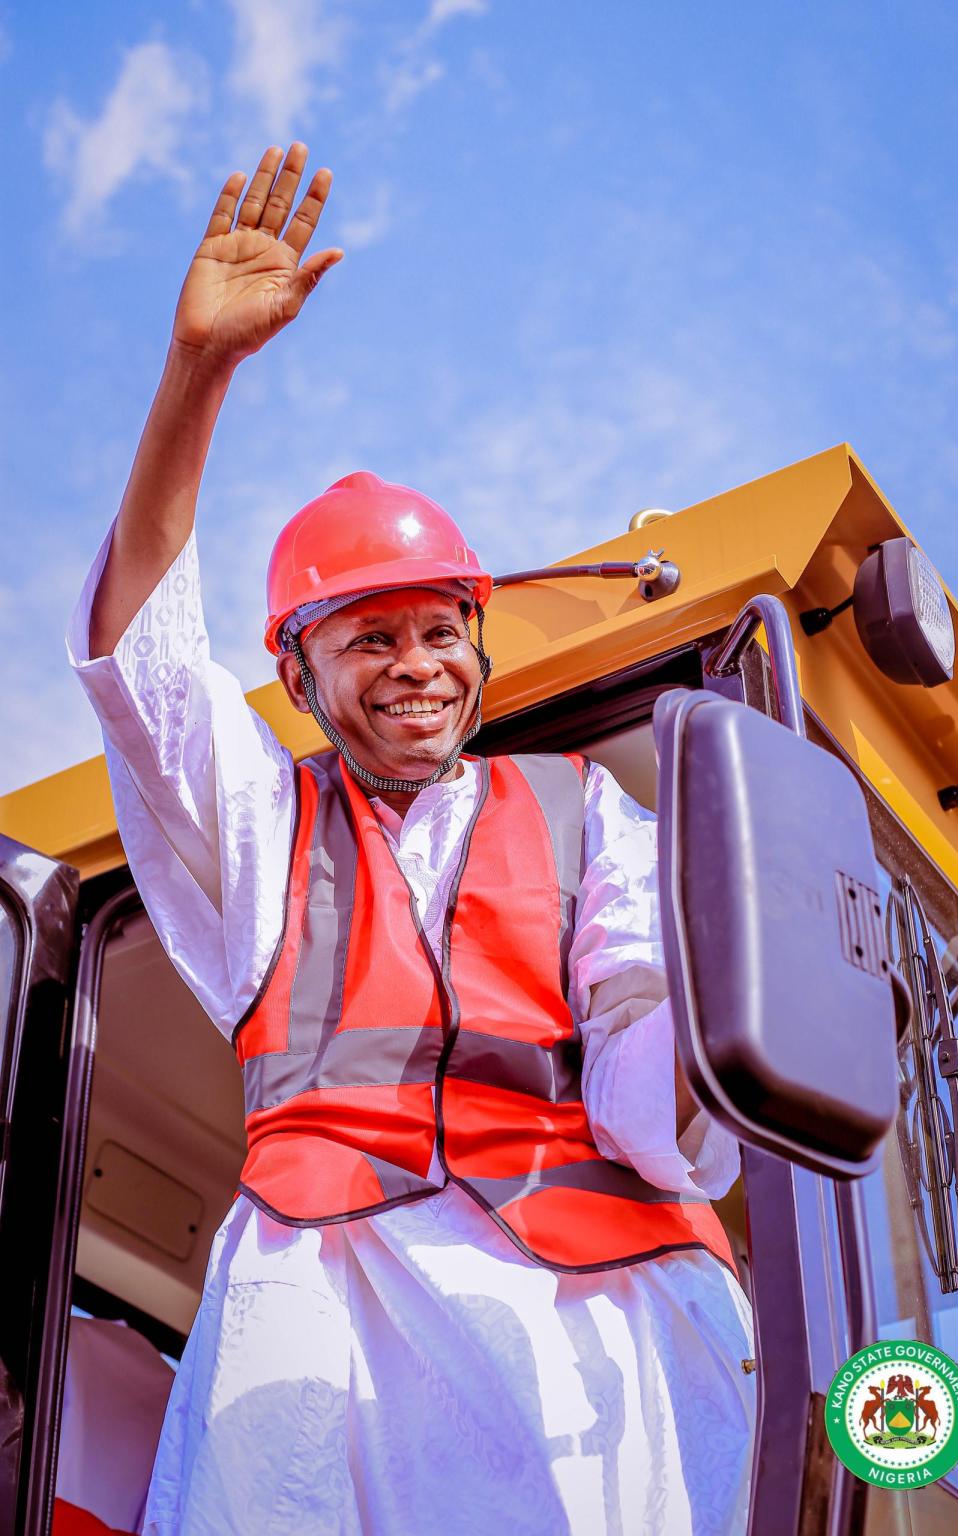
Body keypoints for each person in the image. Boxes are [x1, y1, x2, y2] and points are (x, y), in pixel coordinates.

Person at [69, 144, 756, 1536]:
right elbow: (140, 663)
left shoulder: (586, 817)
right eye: (370, 636)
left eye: (441, 630)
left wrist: (700, 1056)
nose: (416, 664)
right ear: (301, 676)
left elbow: (640, 1031)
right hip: (330, 1324)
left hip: (584, 1320)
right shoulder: (262, 826)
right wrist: (195, 379)